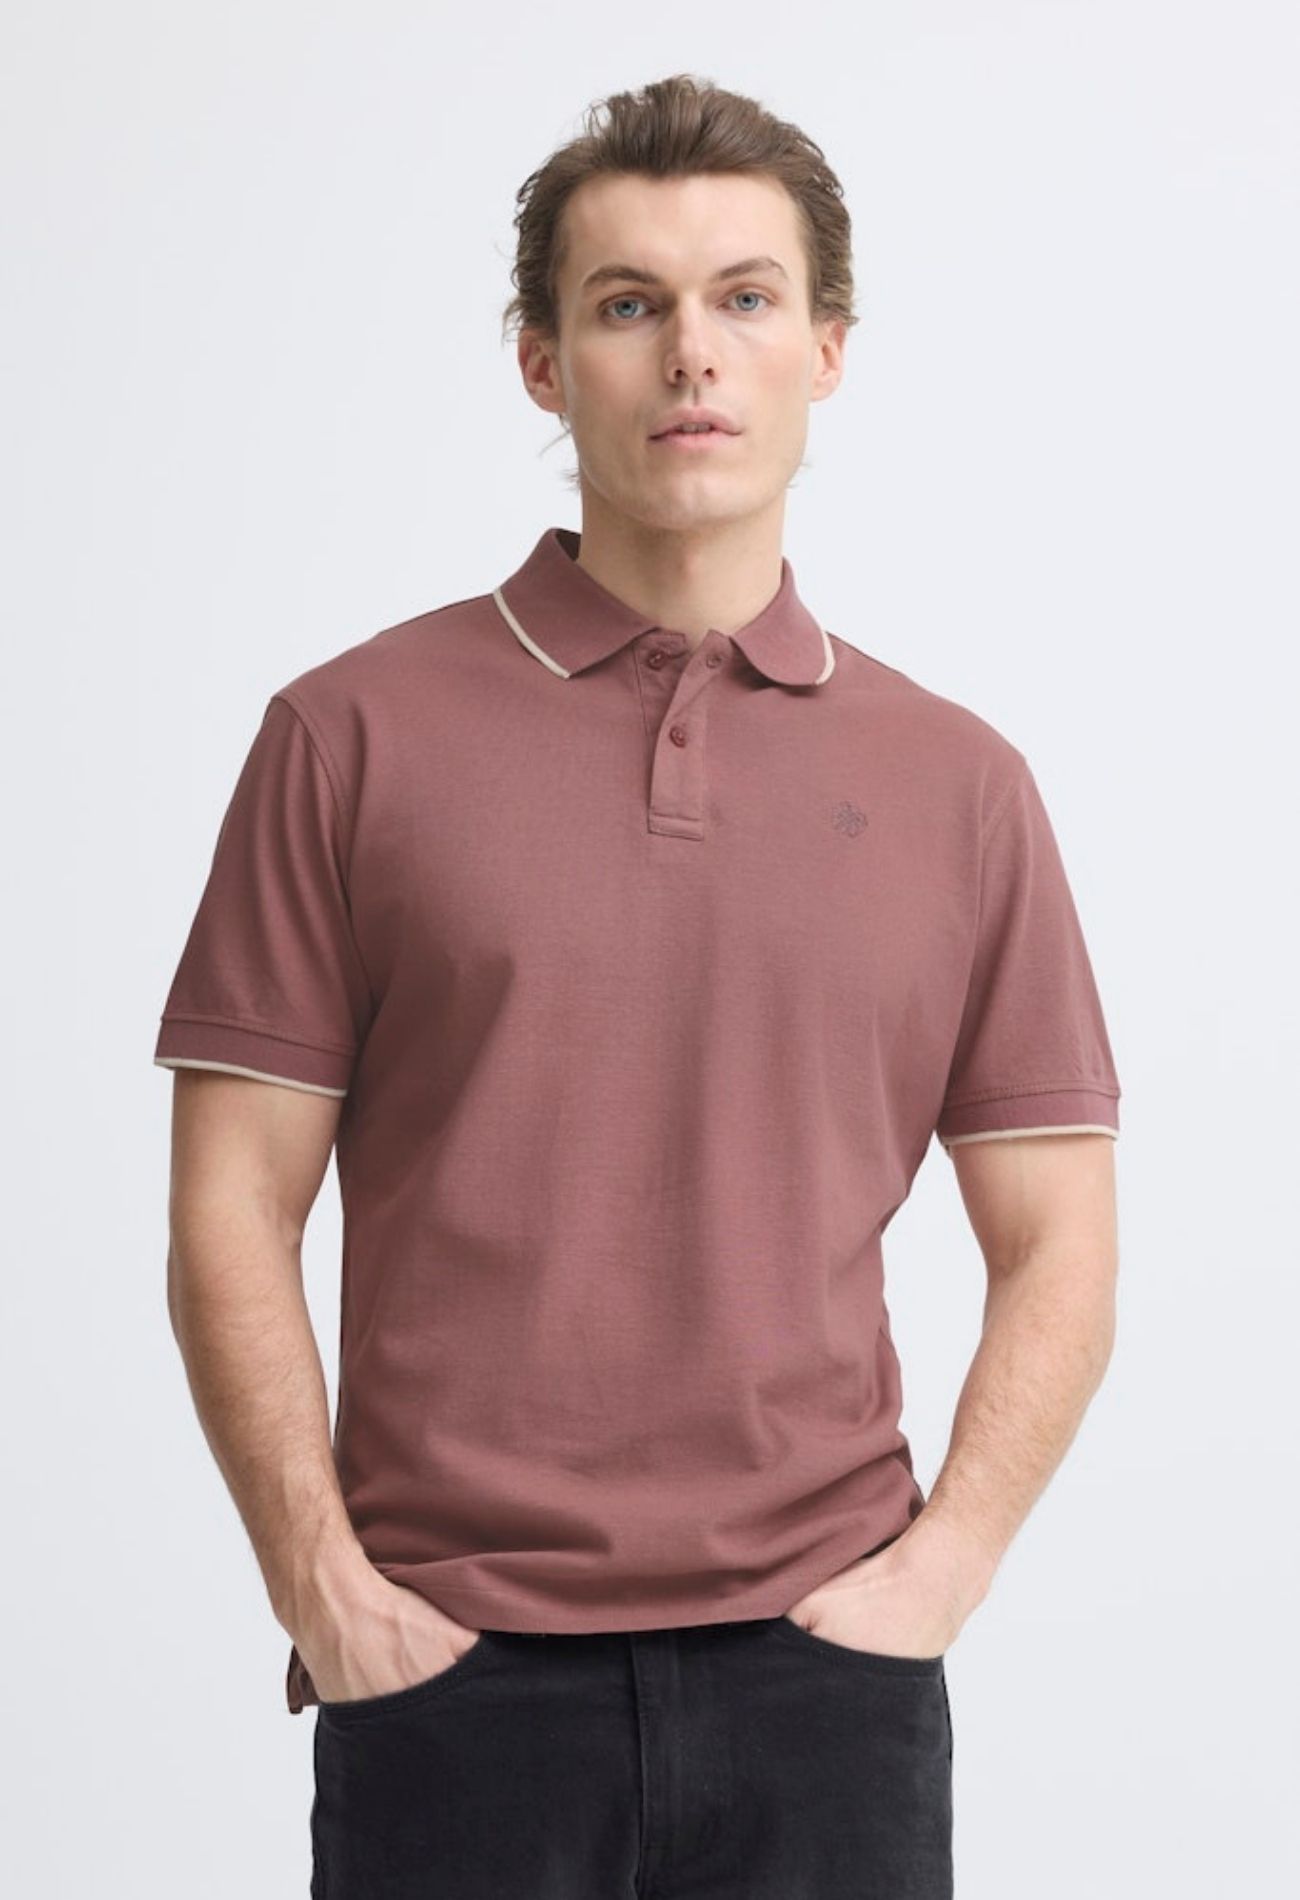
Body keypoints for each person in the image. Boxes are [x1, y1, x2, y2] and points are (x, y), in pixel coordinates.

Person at [154, 71, 1121, 1900]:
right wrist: (324, 1592)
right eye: (629, 304)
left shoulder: (962, 785)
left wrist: (943, 1571)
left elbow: (1061, 1234)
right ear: (543, 363)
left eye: (746, 297)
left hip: (826, 1681)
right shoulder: (347, 739)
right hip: (453, 1685)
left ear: (827, 351)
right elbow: (229, 1208)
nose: (693, 353)